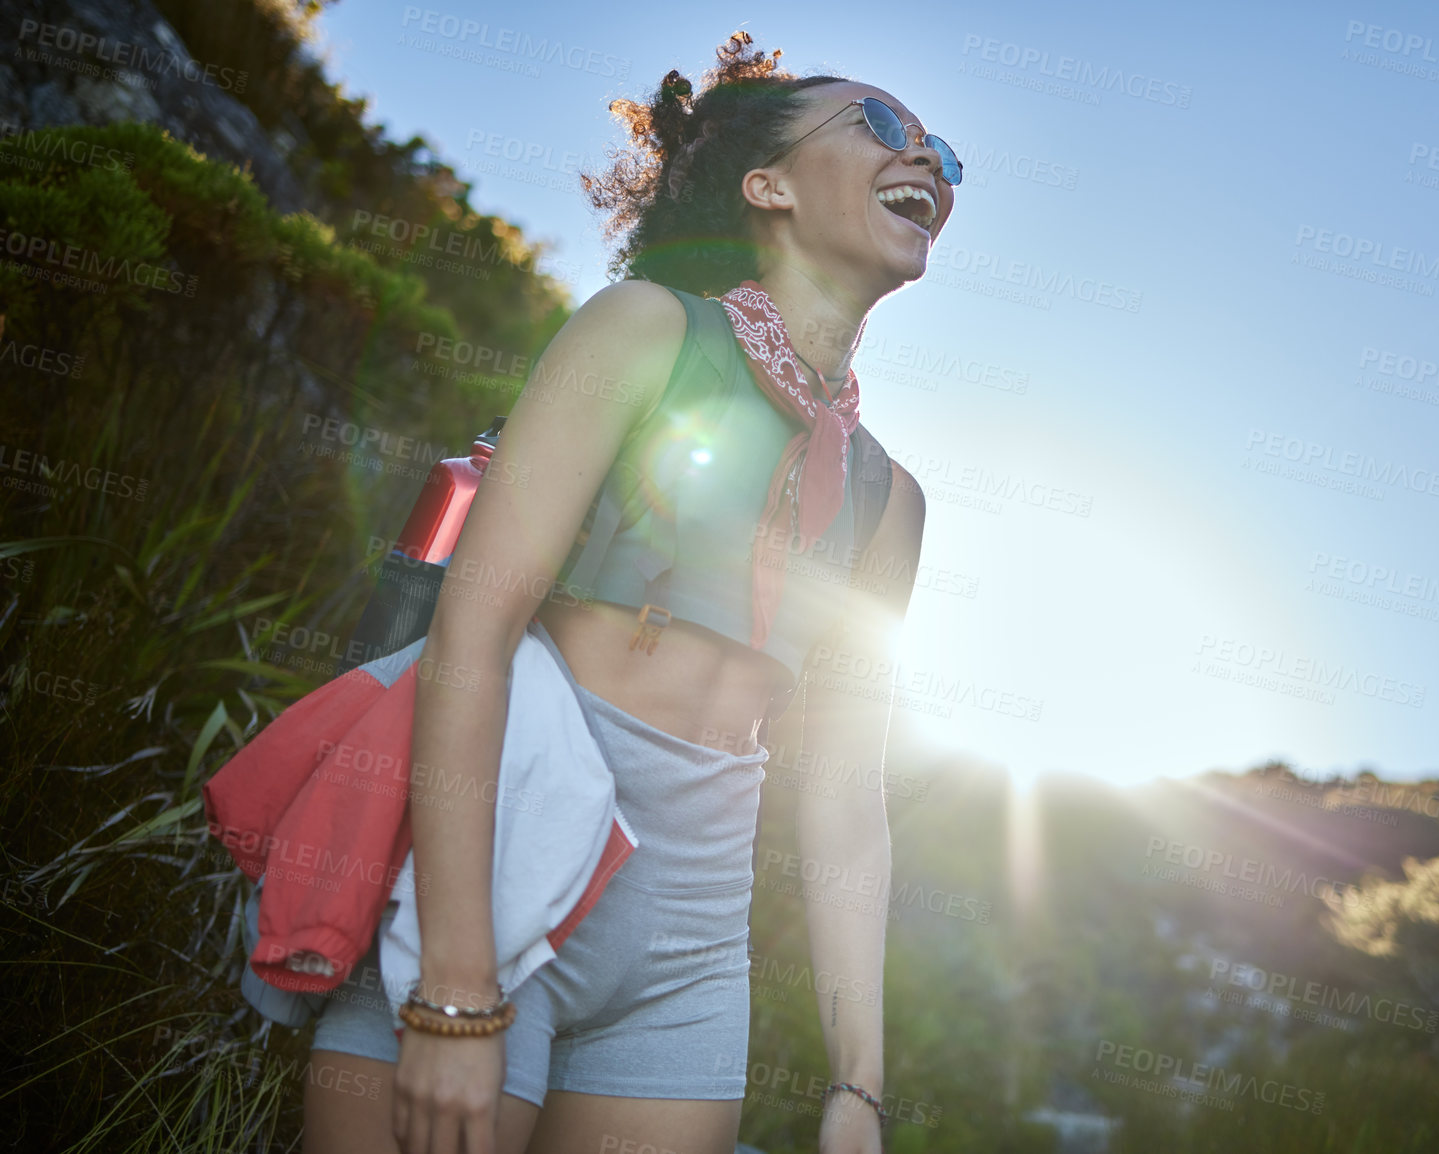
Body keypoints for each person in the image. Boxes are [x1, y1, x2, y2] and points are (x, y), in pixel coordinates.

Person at [300, 31, 962, 1154]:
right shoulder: (645, 330)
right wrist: (456, 981)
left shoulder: (889, 500)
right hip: (502, 876)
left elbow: (847, 793)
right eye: (883, 128)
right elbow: (476, 629)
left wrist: (860, 1085)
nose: (931, 163)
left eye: (943, 149)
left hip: (692, 953)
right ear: (769, 187)